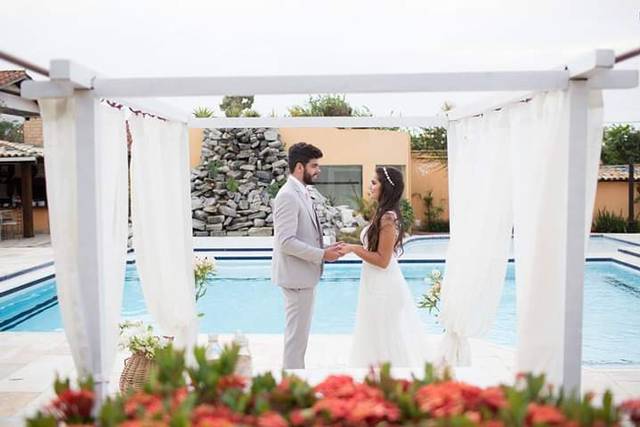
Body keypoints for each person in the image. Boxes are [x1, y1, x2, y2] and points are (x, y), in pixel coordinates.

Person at [271, 142, 344, 369]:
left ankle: (293, 383)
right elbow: (286, 242)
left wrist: (327, 248)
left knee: (298, 339)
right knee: (296, 340)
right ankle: (292, 388)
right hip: (296, 278)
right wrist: (323, 255)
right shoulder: (288, 196)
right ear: (300, 167)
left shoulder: (301, 192)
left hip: (302, 277)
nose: (318, 170)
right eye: (314, 165)